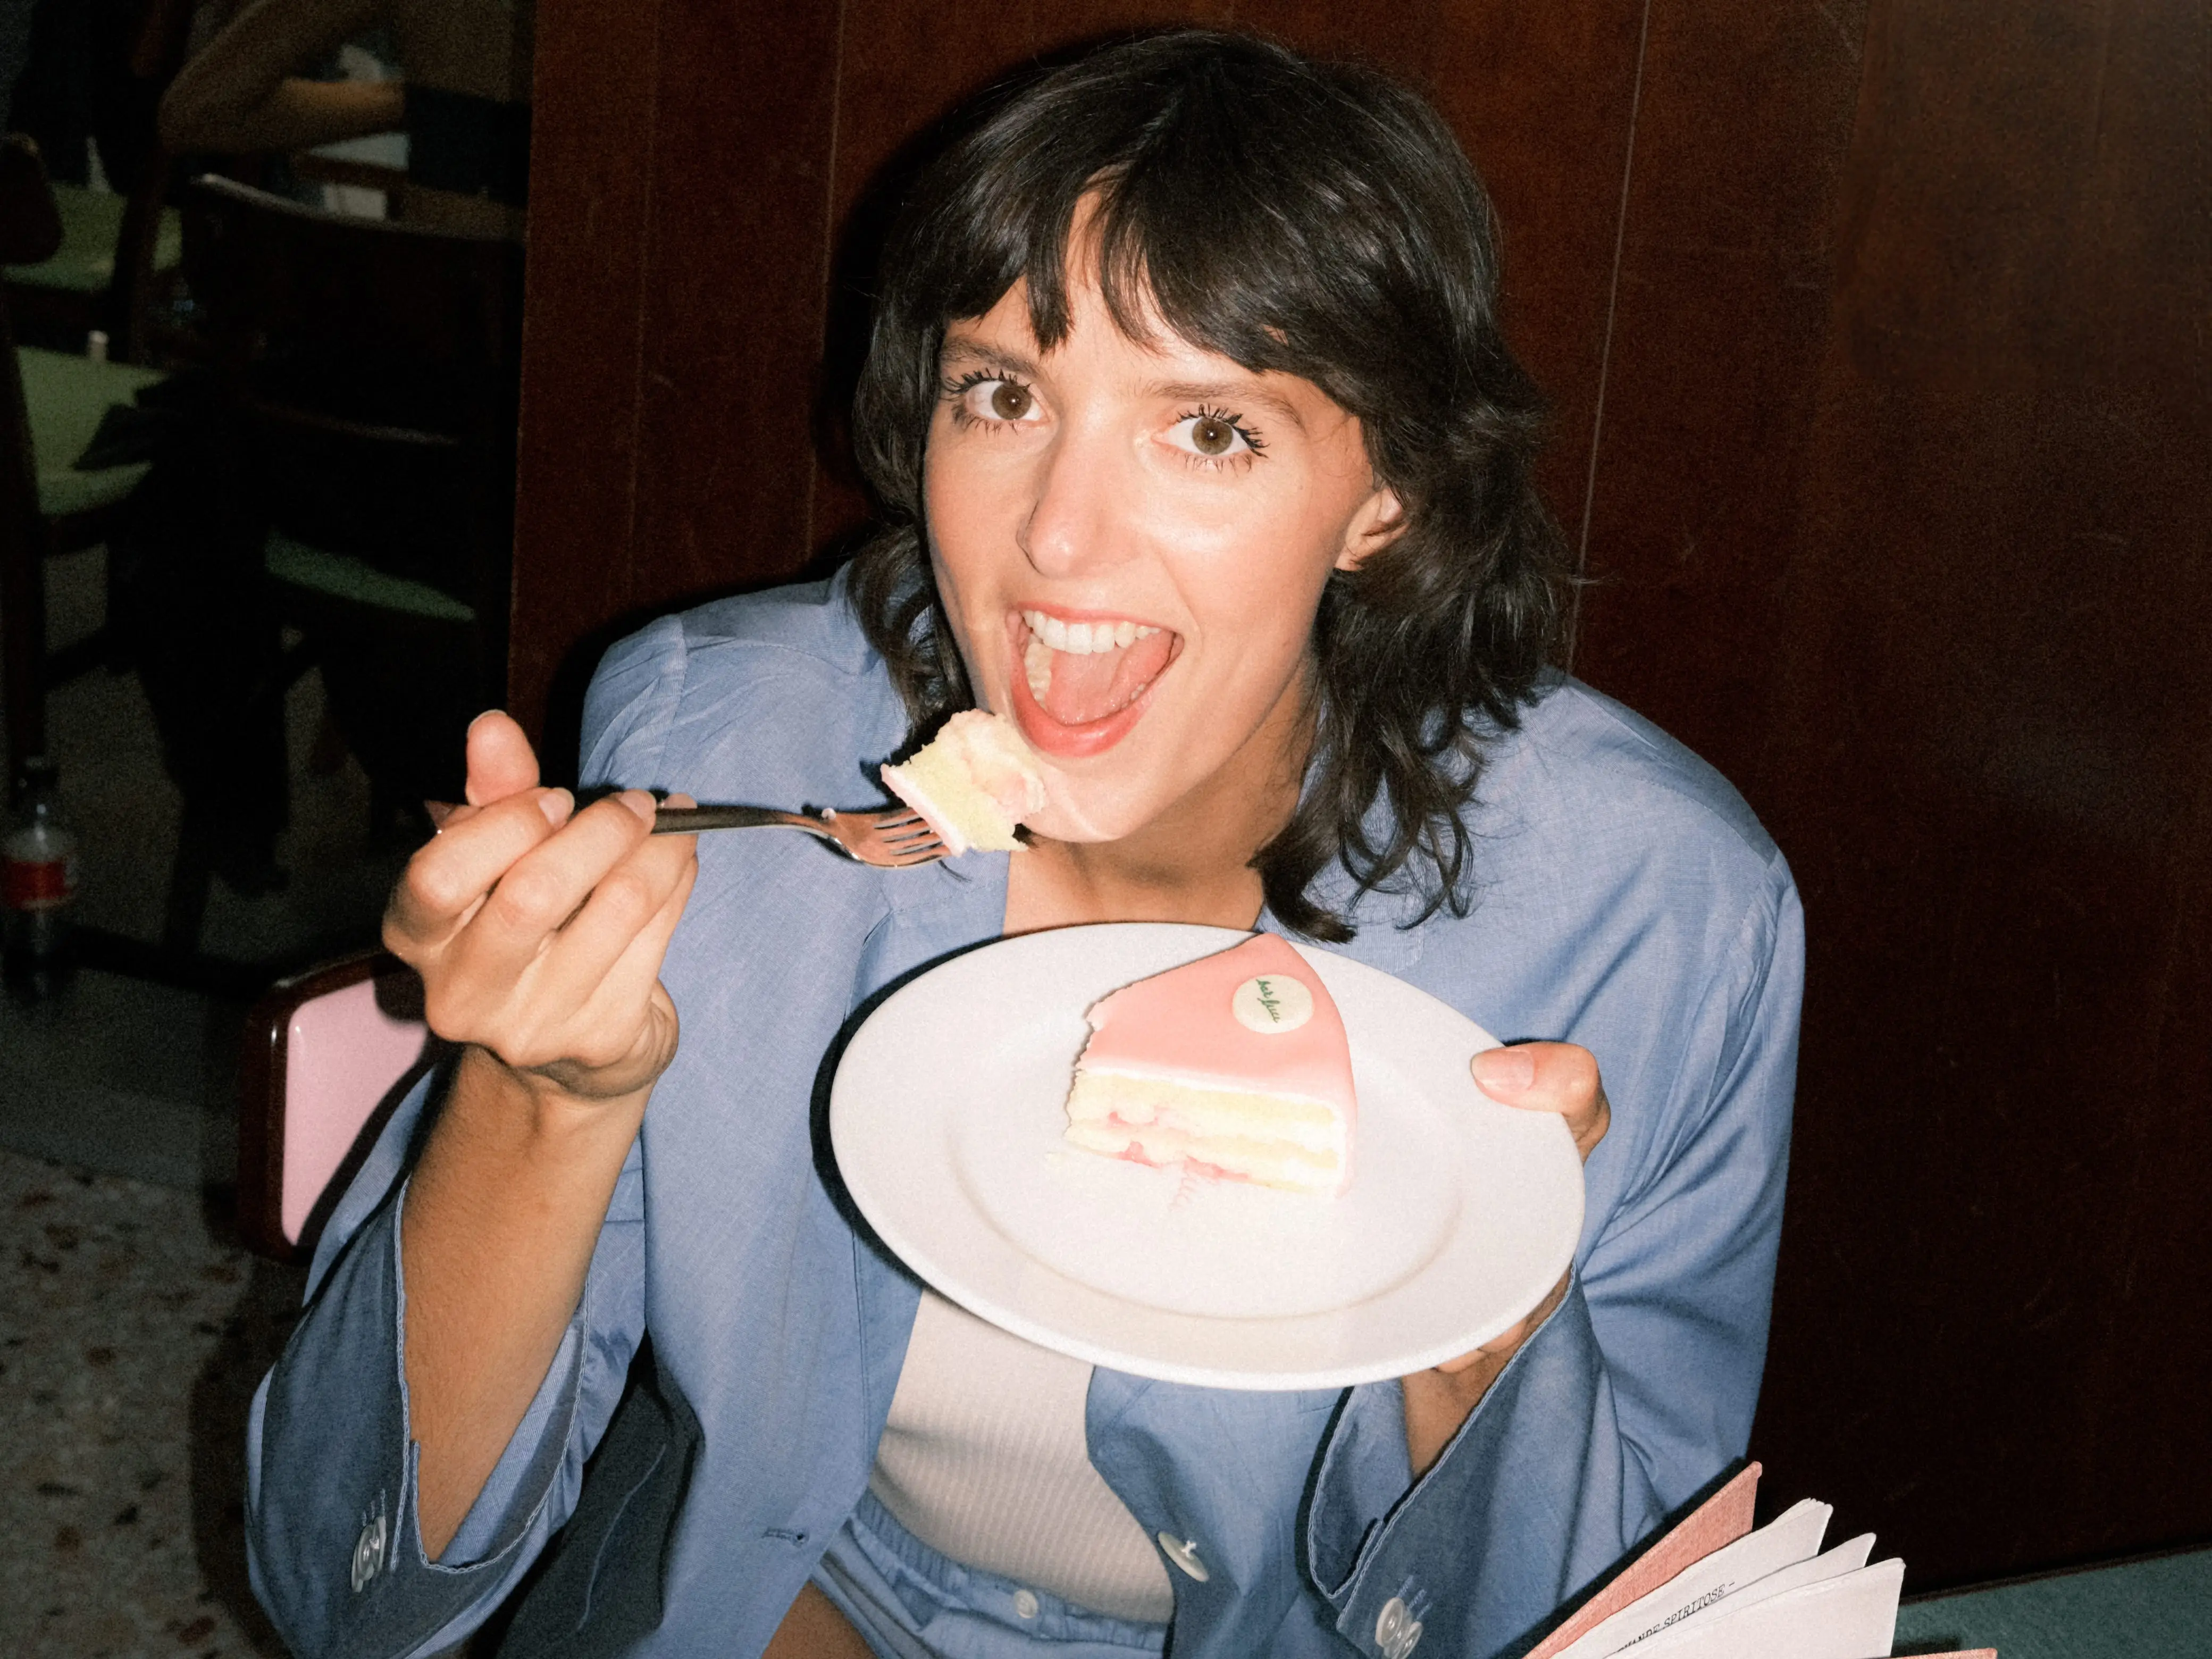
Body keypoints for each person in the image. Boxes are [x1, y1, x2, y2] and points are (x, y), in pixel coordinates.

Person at [244, 31, 1802, 1659]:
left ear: (1386, 493)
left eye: (1209, 431)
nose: (1056, 533)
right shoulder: (730, 750)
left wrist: (1482, 1318)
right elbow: (345, 1592)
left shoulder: (1653, 911)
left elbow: (1628, 1625)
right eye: (1003, 394)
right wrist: (541, 1094)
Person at [158, 0, 530, 237]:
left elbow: (197, 114)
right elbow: (196, 116)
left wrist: (431, 101)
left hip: (429, 326)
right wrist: (427, 104)